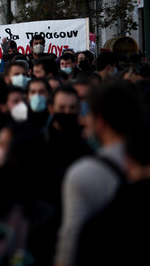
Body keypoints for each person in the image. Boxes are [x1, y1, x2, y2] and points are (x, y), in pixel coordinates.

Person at [54, 82, 145, 266]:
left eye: (87, 115)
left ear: (100, 121)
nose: (82, 120)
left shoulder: (83, 174)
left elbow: (70, 244)